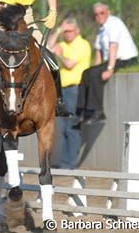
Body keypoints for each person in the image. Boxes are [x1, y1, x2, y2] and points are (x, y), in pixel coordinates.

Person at [75, 2, 139, 125]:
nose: (99, 16)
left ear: (108, 12)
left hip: (126, 59)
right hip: (113, 59)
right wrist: (95, 68)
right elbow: (99, 53)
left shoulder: (114, 24)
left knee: (95, 75)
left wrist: (110, 69)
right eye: (96, 14)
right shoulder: (101, 29)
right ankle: (82, 111)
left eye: (102, 13)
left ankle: (98, 111)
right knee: (87, 73)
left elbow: (113, 47)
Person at [49, 16, 91, 168]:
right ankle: (65, 162)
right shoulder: (63, 44)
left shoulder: (82, 44)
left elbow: (69, 64)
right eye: (65, 32)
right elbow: (48, 46)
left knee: (72, 126)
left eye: (70, 31)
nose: (67, 34)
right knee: (62, 128)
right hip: (62, 89)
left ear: (77, 31)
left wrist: (59, 54)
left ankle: (70, 163)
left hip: (76, 89)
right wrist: (59, 29)